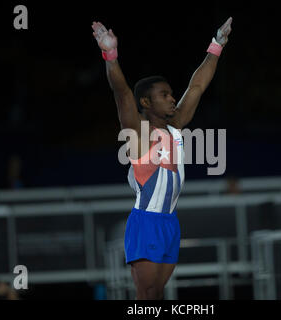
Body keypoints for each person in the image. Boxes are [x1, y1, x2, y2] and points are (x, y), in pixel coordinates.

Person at [91, 17, 232, 300]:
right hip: (147, 222)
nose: (172, 98)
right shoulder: (138, 134)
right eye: (164, 95)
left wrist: (217, 44)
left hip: (170, 222)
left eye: (171, 93)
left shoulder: (175, 125)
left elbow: (197, 87)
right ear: (146, 103)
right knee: (147, 294)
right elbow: (121, 93)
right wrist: (111, 55)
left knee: (158, 296)